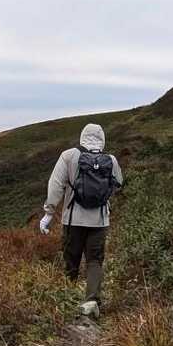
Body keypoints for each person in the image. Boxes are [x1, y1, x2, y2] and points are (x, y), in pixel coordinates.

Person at [39, 122, 124, 317]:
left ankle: (67, 297)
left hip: (73, 220)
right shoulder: (111, 159)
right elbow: (118, 183)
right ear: (102, 139)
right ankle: (92, 300)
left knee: (71, 258)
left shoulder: (69, 156)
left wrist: (48, 212)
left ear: (82, 136)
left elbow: (55, 185)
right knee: (95, 260)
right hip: (99, 221)